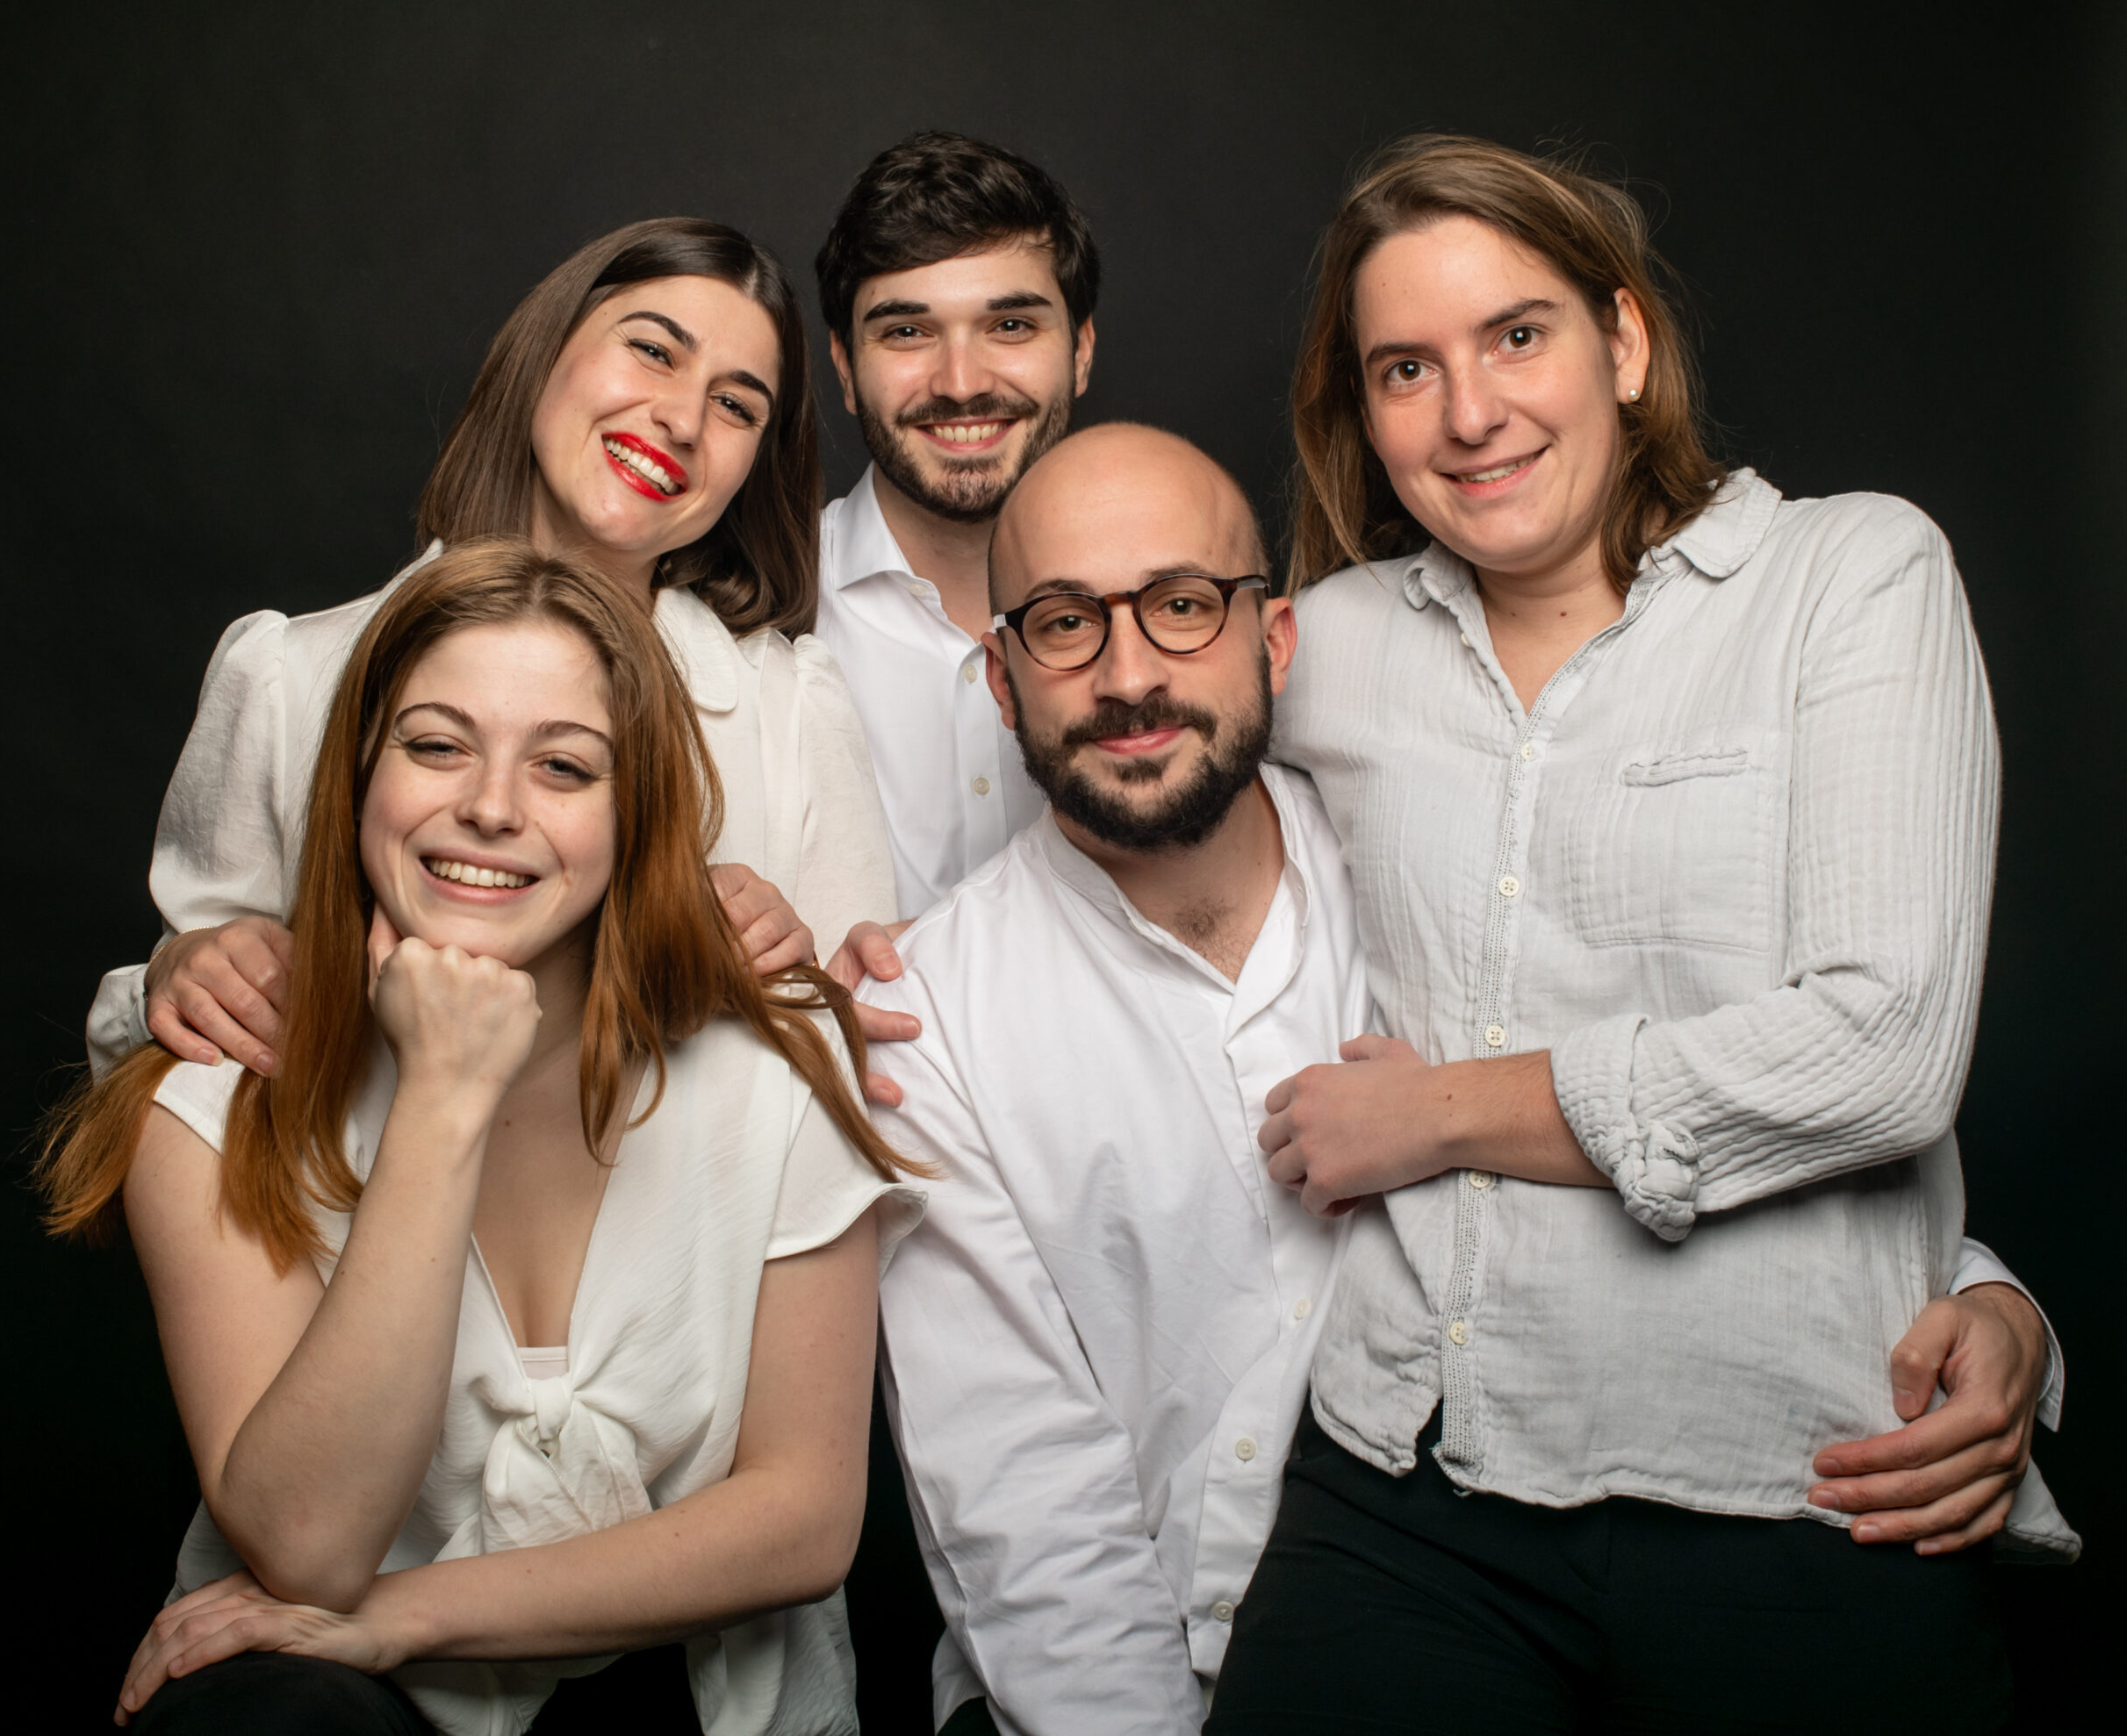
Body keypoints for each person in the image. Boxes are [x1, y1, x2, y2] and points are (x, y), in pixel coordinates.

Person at [866, 425, 2064, 1736]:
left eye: (1182, 605)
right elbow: (1021, 1501)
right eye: (1062, 624)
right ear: (999, 675)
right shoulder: (929, 1013)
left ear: (1274, 639)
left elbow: (1664, 1081)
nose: (1130, 672)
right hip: (1164, 1679)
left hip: (1533, 1605)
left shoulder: (1419, 855)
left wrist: (1972, 1289)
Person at [1205, 136, 2076, 1734]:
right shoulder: (1324, 648)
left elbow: (1883, 1054)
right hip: (1412, 1483)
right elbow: (1095, 746)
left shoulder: (1850, 577)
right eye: (1407, 367)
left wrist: (1436, 1113)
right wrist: (798, 919)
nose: (1470, 413)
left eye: (1516, 334)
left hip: (1800, 1480)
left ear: (1624, 342)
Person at [40, 540, 925, 1735]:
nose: (492, 806)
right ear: (359, 774)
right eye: (437, 744)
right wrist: (443, 1097)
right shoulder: (203, 1107)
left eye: (564, 765)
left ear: (636, 813)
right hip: (339, 1708)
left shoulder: (771, 1071)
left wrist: (403, 1611)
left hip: (689, 1700)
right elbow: (308, 1545)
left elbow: (804, 1517)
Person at [86, 217, 895, 1083]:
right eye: (654, 351)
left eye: (736, 405)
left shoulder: (791, 709)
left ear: (753, 467)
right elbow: (166, 1069)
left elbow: (865, 1052)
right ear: (546, 352)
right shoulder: (290, 674)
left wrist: (792, 967)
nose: (682, 418)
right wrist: (180, 977)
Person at [812, 131, 1097, 927]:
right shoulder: (753, 607)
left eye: (1010, 326)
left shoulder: (1184, 625)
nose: (962, 383)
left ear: (1080, 352)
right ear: (843, 368)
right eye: (907, 331)